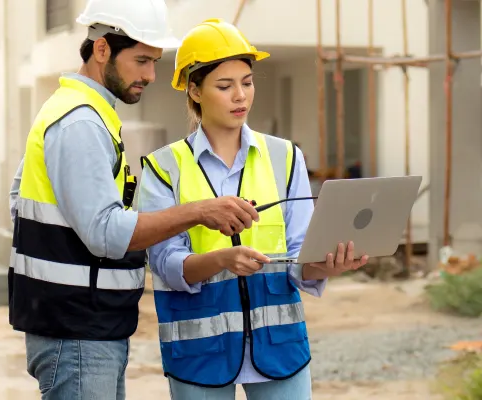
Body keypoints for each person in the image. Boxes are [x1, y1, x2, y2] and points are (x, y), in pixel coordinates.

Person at [7, 4, 263, 399]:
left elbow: (19, 201)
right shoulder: (80, 122)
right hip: (77, 330)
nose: (150, 75)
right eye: (142, 60)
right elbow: (106, 234)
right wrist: (200, 211)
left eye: (155, 61)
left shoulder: (82, 113)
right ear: (103, 50)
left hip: (83, 324)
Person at [138, 19, 370, 399]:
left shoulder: (286, 157)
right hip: (200, 353)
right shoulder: (164, 167)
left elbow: (299, 257)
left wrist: (330, 264)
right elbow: (165, 264)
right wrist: (222, 258)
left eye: (247, 82)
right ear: (194, 91)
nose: (240, 96)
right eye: (225, 86)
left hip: (278, 348)